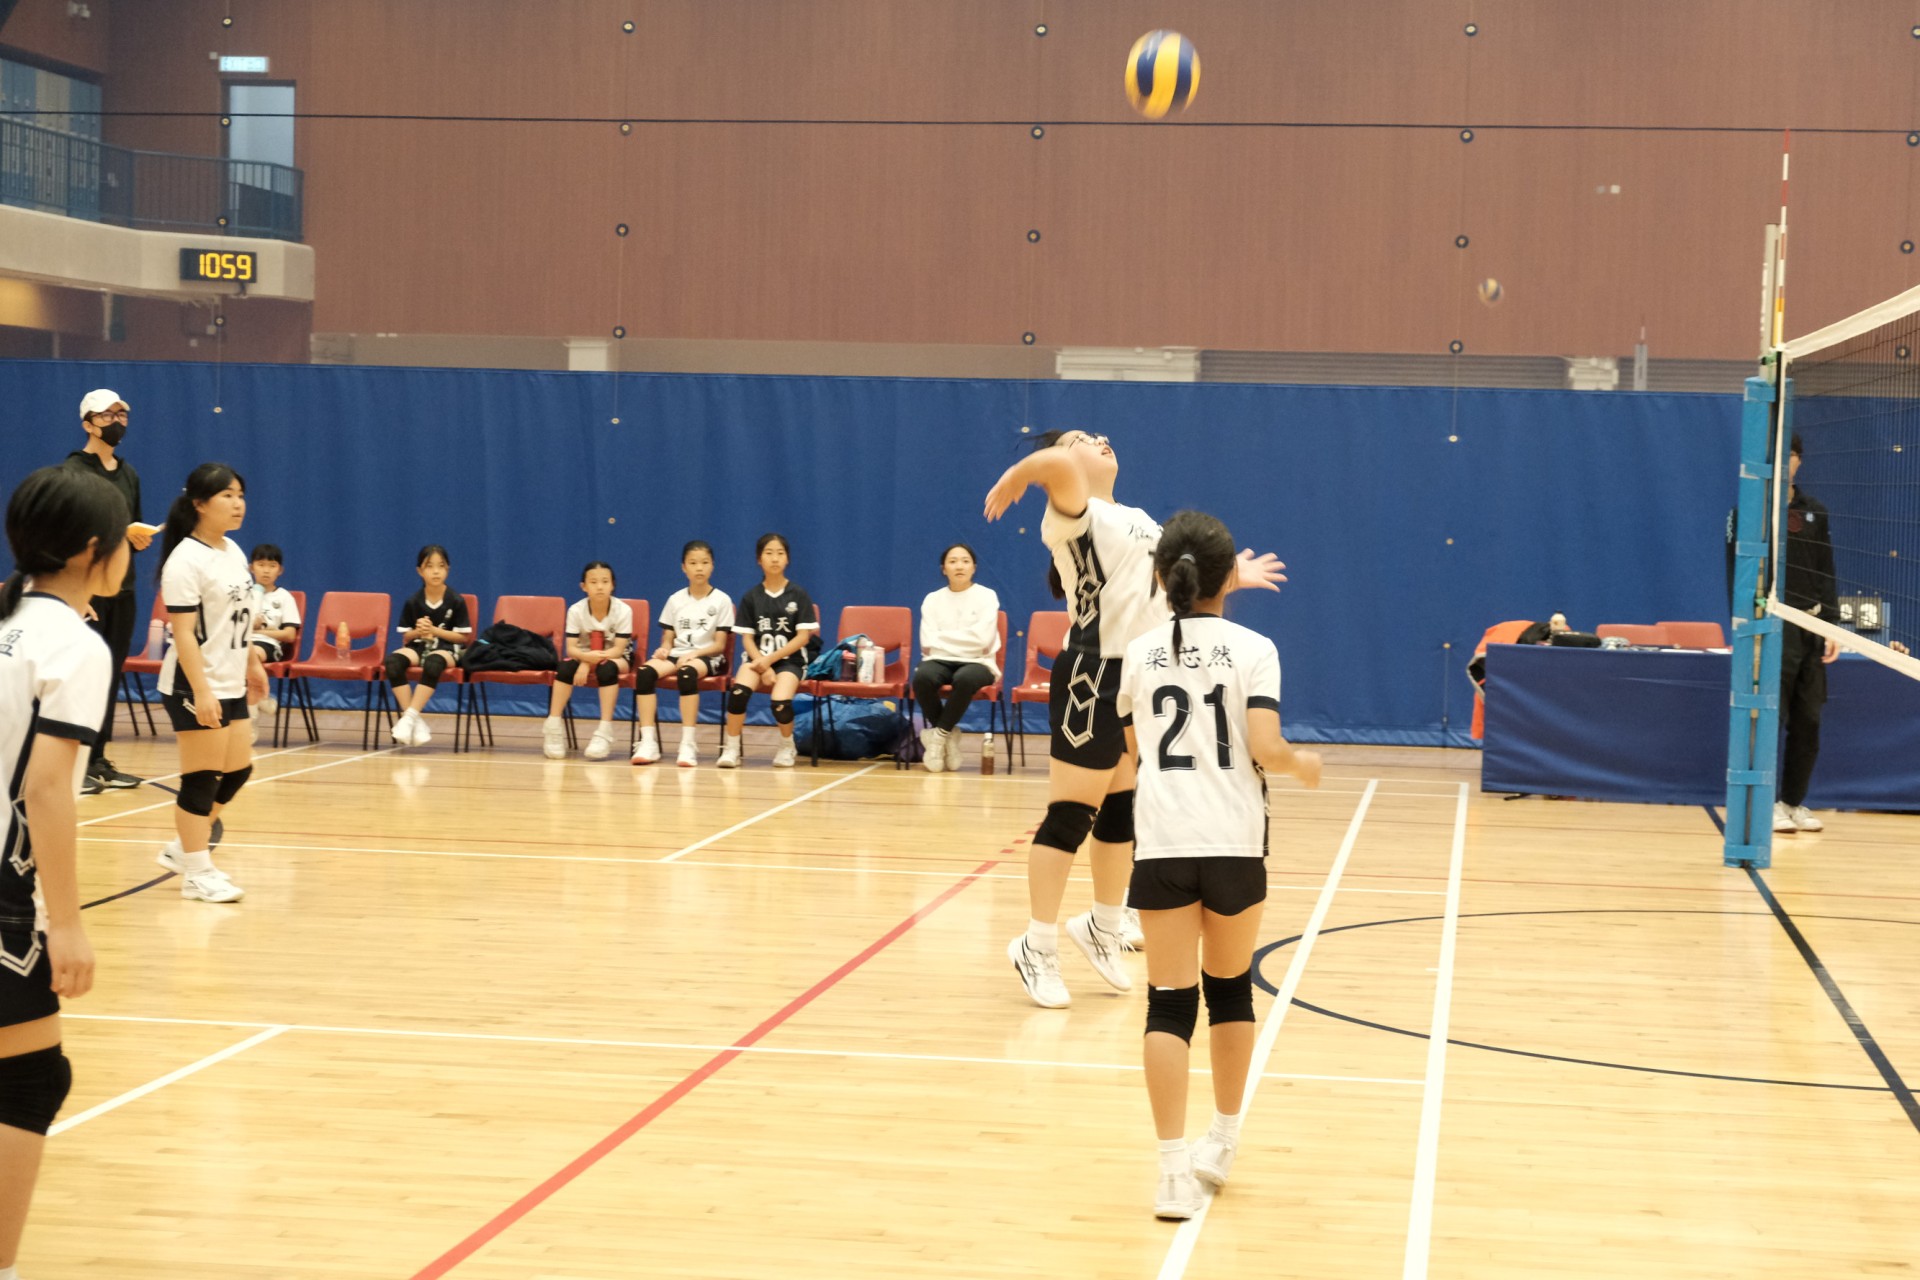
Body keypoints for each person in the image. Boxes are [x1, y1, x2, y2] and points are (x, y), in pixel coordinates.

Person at [983, 429, 1287, 1008]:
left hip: (1141, 675)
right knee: (1070, 815)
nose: (1100, 439)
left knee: (1123, 810)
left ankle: (1102, 924)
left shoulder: (1137, 518)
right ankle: (1036, 944)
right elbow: (1055, 464)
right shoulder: (1074, 511)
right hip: (1092, 674)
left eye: (1099, 435)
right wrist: (1021, 473)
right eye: (1083, 438)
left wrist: (1230, 577)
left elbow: (1168, 588)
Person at [1119, 510, 1320, 1219]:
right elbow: (1265, 746)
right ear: (1229, 576)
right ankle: (1223, 1142)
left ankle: (1172, 1173)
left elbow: (1134, 751)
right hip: (1235, 842)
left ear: (1160, 576)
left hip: (1163, 842)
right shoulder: (1255, 648)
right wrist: (1300, 763)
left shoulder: (1139, 653)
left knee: (1168, 1003)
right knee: (1230, 991)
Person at [0, 467, 121, 1277]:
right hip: (7, 893)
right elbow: (45, 788)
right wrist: (66, 923)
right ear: (90, 551)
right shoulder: (74, 644)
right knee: (29, 1081)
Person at [152, 463, 259, 904]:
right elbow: (183, 634)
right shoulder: (185, 560)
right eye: (227, 496)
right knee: (201, 779)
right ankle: (197, 872)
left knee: (238, 771)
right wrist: (201, 691)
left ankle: (184, 849)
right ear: (199, 504)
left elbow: (238, 619)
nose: (238, 504)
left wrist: (253, 662)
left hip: (230, 680)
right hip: (193, 683)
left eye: (240, 495)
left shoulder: (232, 550)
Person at [62, 389, 155, 794]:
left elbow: (131, 527)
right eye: (107, 415)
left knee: (109, 674)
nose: (116, 421)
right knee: (79, 676)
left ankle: (97, 758)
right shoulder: (73, 472)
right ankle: (72, 761)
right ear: (88, 424)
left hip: (122, 587)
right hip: (86, 591)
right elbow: (70, 532)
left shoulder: (129, 473)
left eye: (122, 414)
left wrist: (137, 538)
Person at [1774, 433, 1840, 835]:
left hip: (1811, 628)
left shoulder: (1815, 512)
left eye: (1793, 454)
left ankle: (1791, 802)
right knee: (1770, 718)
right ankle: (1765, 804)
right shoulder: (1751, 511)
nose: (1787, 461)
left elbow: (1825, 571)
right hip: (1772, 629)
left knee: (1809, 720)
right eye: (1780, 454)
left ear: (1800, 460)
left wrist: (1831, 624)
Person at [721, 533, 820, 769]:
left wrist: (770, 661)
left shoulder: (798, 594)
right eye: (769, 553)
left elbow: (802, 637)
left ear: (787, 559)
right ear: (759, 559)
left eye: (780, 553)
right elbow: (747, 639)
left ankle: (787, 745)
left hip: (790, 662)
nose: (775, 558)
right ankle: (731, 748)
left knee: (780, 703)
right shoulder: (751, 597)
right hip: (756, 659)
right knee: (738, 694)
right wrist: (762, 664)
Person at [633, 540, 734, 767]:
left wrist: (695, 654)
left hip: (709, 656)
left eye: (704, 562)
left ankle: (688, 744)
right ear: (684, 567)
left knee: (686, 674)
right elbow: (668, 637)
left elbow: (720, 644)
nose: (699, 568)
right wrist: (664, 649)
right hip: (678, 654)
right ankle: (648, 742)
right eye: (693, 563)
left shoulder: (722, 600)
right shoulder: (675, 599)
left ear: (712, 566)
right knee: (645, 673)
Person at [912, 543, 1001, 773]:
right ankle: (949, 738)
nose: (959, 566)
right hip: (939, 659)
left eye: (965, 561)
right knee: (922, 677)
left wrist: (945, 638)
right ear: (944, 569)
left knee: (965, 678)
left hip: (979, 661)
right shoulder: (932, 599)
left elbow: (982, 640)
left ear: (974, 567)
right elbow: (928, 641)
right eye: (952, 562)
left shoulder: (987, 596)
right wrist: (965, 639)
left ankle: (938, 739)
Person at [542, 562, 634, 761]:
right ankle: (553, 725)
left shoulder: (623, 610)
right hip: (583, 654)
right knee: (564, 668)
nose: (600, 587)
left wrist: (587, 664)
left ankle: (605, 731)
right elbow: (571, 648)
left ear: (612, 585)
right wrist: (585, 659)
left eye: (605, 581)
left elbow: (618, 649)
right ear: (583, 586)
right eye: (593, 582)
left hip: (616, 657)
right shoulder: (576, 610)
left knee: (607, 670)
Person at [385, 545, 472, 749]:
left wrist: (435, 630)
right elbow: (407, 636)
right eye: (429, 566)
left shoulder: (456, 600)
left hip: (448, 648)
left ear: (447, 569)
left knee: (434, 662)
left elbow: (463, 637)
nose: (435, 571)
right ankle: (414, 720)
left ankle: (409, 718)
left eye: (441, 566)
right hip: (419, 645)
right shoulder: (413, 601)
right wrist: (419, 631)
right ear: (420, 571)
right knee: (393, 662)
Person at [246, 543, 301, 717]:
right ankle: (261, 698)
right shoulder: (242, 594)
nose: (266, 571)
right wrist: (249, 625)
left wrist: (258, 632)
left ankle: (251, 717)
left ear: (280, 570)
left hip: (268, 645)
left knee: (249, 654)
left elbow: (289, 635)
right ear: (251, 568)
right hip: (242, 641)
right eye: (261, 565)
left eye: (272, 566)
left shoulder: (285, 597)